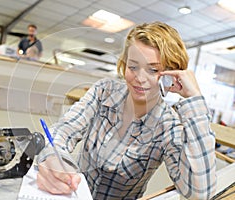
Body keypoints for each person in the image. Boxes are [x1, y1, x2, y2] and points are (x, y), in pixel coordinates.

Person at [36, 21, 217, 199]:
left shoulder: (168, 126)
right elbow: (64, 129)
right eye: (133, 67)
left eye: (153, 70)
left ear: (171, 76)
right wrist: (53, 158)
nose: (139, 78)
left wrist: (194, 99)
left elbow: (200, 192)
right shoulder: (104, 91)